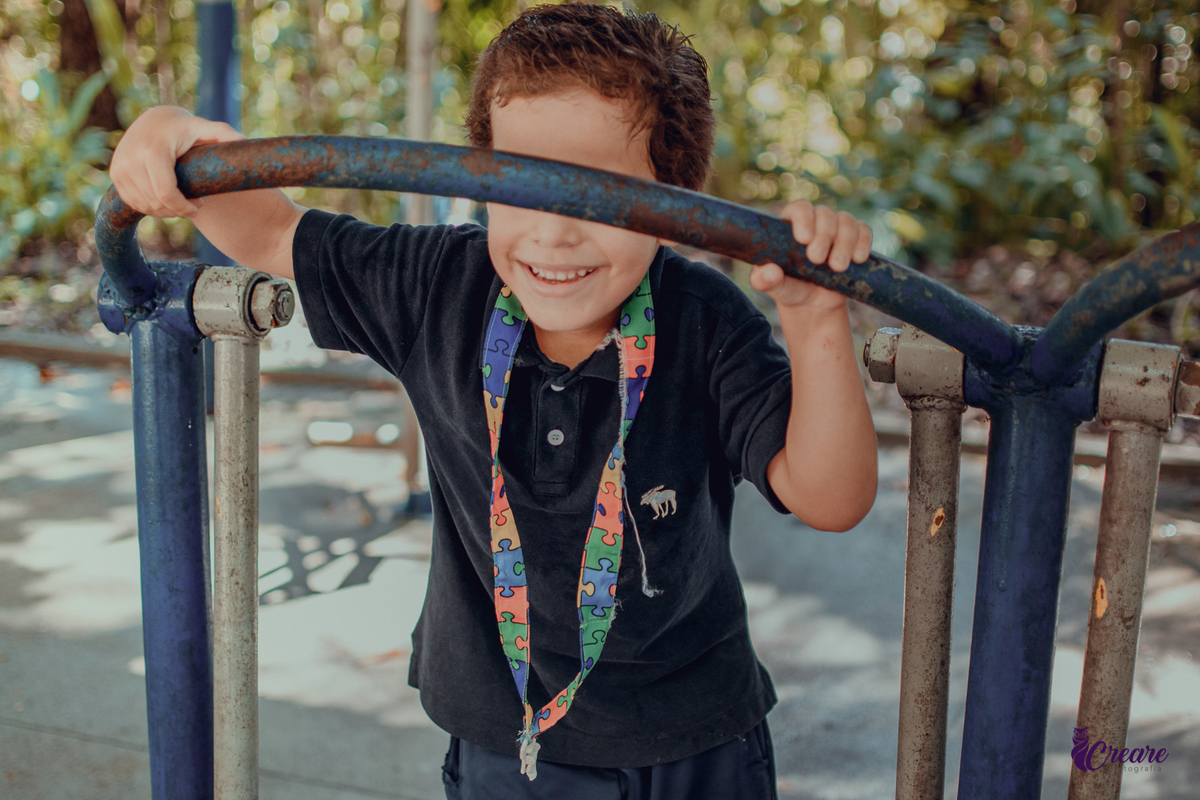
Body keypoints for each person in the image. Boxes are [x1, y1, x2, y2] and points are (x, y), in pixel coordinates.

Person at [110, 4, 877, 798]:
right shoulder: (438, 284)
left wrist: (817, 315)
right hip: (507, 741)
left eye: (599, 197)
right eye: (519, 187)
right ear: (477, 176)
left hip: (696, 734)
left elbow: (829, 495)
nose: (553, 235)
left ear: (674, 198)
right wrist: (170, 131)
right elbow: (271, 231)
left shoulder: (706, 318)